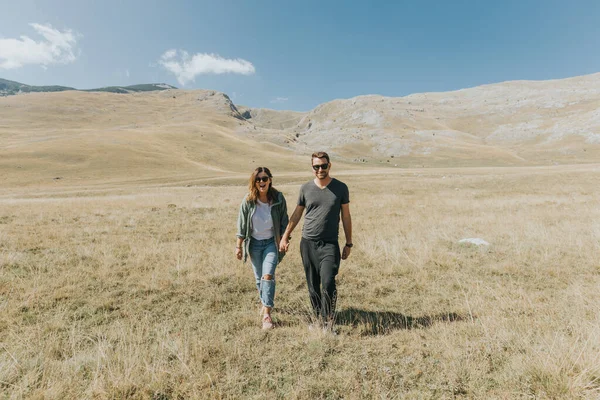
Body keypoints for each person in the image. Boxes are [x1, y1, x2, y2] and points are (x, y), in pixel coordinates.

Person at [279, 151, 352, 331]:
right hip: (308, 243)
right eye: (316, 166)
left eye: (323, 165)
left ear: (330, 166)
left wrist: (349, 243)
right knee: (313, 285)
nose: (320, 169)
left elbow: (346, 216)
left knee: (328, 281)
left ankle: (328, 322)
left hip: (329, 244)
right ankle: (318, 318)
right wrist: (285, 236)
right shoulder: (305, 189)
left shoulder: (341, 188)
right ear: (312, 168)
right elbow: (297, 214)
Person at [236, 167, 289, 329]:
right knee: (259, 279)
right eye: (258, 179)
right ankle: (265, 302)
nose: (261, 182)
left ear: (270, 180)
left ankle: (266, 314)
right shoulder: (248, 200)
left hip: (271, 243)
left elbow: (284, 221)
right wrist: (238, 246)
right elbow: (242, 224)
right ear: (254, 182)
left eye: (264, 178)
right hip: (254, 245)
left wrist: (285, 239)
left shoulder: (278, 198)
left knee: (267, 276)